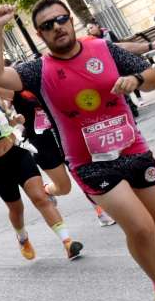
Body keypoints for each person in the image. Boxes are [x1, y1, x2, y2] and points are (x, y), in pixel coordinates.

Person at [0, 0, 155, 301]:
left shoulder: (103, 49)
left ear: (70, 20)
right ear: (40, 34)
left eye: (61, 19)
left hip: (133, 150)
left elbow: (154, 76)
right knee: (141, 227)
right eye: (48, 25)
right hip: (91, 163)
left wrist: (136, 81)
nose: (57, 27)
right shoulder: (38, 70)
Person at [0, 75, 84, 261]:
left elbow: (5, 127)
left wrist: (14, 121)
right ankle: (22, 238)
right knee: (17, 209)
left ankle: (68, 243)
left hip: (18, 155)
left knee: (40, 198)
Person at [9, 86, 118, 227]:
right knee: (64, 188)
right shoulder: (14, 90)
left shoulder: (46, 80)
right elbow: (3, 106)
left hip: (64, 134)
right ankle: (47, 189)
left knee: (83, 175)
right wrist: (13, 119)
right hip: (43, 144)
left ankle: (101, 212)